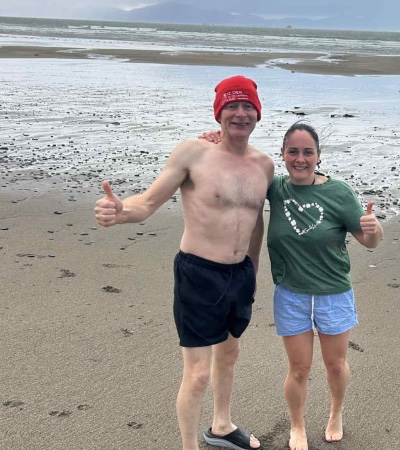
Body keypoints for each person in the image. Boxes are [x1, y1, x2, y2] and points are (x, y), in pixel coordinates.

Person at [94, 75, 274, 450]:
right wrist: (121, 211)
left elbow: (256, 222)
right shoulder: (193, 153)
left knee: (230, 354)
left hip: (240, 275)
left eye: (247, 106)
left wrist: (253, 270)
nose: (240, 113)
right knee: (197, 374)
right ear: (219, 113)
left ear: (258, 114)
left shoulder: (264, 165)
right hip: (199, 274)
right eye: (232, 106)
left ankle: (221, 426)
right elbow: (148, 202)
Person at [200, 121, 383, 450]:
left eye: (308, 152)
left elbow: (369, 241)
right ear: (283, 154)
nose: (300, 159)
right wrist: (219, 143)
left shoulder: (339, 193)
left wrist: (374, 228)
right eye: (293, 151)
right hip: (291, 295)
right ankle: (297, 425)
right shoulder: (275, 187)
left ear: (318, 156)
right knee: (298, 369)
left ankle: (335, 414)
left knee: (335, 365)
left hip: (334, 294)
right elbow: (241, 169)